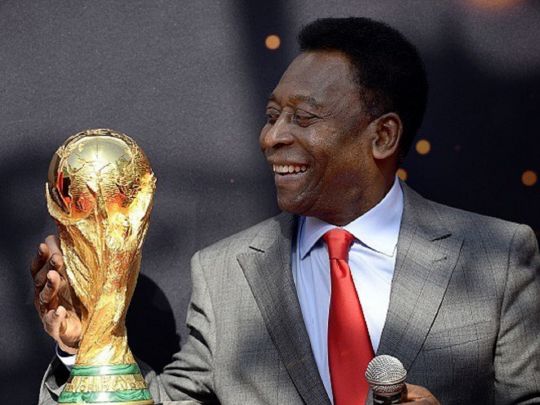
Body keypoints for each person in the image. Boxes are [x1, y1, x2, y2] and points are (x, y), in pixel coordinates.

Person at [33, 17, 539, 405]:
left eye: (303, 118)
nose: (272, 137)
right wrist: (85, 348)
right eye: (273, 115)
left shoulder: (500, 257)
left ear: (383, 136)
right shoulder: (225, 273)